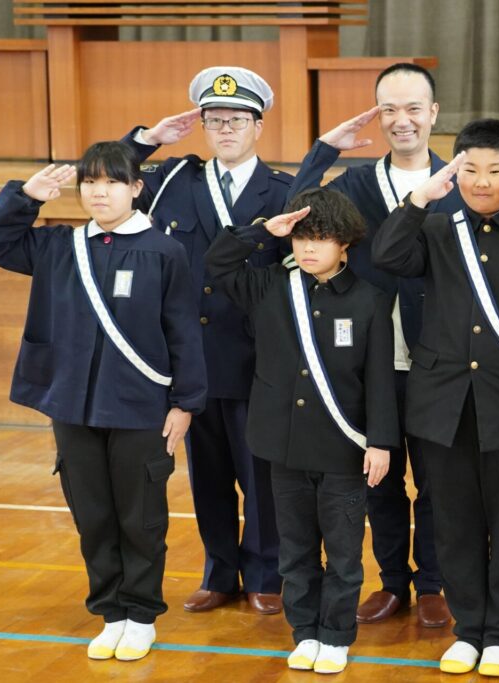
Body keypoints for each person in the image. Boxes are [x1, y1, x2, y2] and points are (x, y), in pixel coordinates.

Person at [0, 142, 207, 661]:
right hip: (74, 406)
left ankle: (142, 613)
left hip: (142, 408)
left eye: (112, 182)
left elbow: (183, 331)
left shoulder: (163, 250)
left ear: (136, 189)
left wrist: (185, 402)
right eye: (90, 183)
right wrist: (24, 196)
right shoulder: (59, 245)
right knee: (93, 515)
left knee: (140, 516)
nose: (100, 192)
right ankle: (112, 612)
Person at [372, 119, 499, 677]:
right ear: (454, 170)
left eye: (494, 170)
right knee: (454, 524)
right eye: (469, 170)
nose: (481, 182)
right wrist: (419, 199)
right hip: (442, 406)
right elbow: (386, 256)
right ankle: (468, 630)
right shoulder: (435, 230)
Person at [288, 62, 463, 628]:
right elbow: (295, 218)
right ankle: (393, 583)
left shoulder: (460, 182)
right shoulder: (357, 184)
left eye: (414, 108)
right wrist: (322, 152)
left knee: (437, 480)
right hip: (370, 360)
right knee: (379, 479)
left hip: (439, 358)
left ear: (433, 113)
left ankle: (434, 582)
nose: (402, 120)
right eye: (389, 109)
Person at [122, 66, 293, 615]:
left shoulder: (283, 191)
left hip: (258, 359)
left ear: (258, 126)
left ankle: (268, 574)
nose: (225, 129)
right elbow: (106, 177)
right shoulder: (174, 181)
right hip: (192, 360)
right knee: (208, 476)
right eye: (214, 120)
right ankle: (220, 573)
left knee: (260, 476)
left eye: (237, 120)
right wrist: (147, 140)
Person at [205, 187, 398, 673]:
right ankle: (305, 631)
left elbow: (379, 377)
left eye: (322, 238)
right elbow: (217, 264)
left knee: (343, 553)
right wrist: (261, 232)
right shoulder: (270, 284)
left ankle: (336, 635)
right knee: (294, 551)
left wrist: (380, 442)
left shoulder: (370, 300)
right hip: (282, 445)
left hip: (343, 447)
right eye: (302, 238)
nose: (309, 248)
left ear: (346, 244)